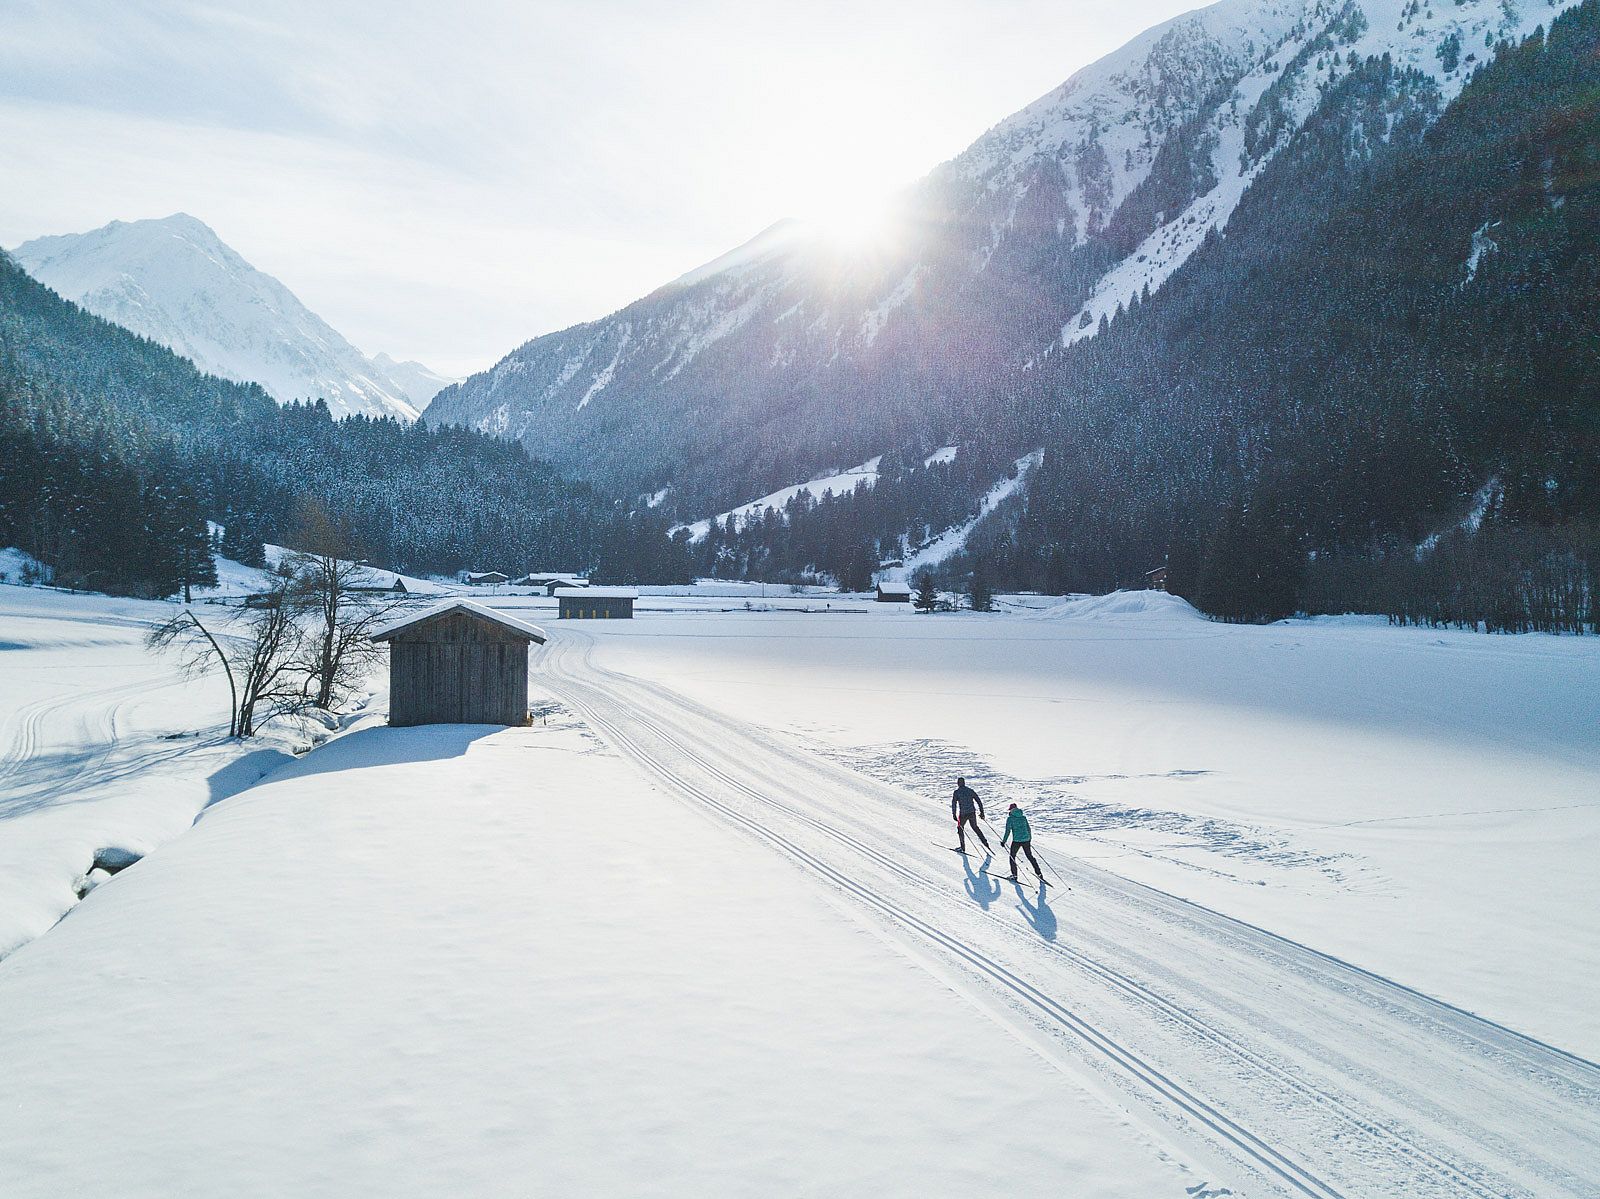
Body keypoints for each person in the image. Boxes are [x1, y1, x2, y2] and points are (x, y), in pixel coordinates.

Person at [1001, 803, 1045, 883]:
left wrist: (1003, 841)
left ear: (1011, 810)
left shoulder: (1010, 819)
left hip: (1017, 841)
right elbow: (1028, 828)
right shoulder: (1023, 817)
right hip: (1026, 840)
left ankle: (1014, 875)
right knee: (1030, 856)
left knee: (1012, 857)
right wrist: (1029, 839)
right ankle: (1039, 873)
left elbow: (1008, 831)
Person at [951, 776, 990, 853]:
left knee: (960, 828)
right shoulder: (970, 790)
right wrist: (982, 812)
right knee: (975, 827)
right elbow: (978, 801)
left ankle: (962, 847)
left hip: (963, 814)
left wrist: (954, 814)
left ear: (958, 784)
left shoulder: (957, 792)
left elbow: (954, 804)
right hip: (972, 813)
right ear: (964, 783)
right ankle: (985, 843)